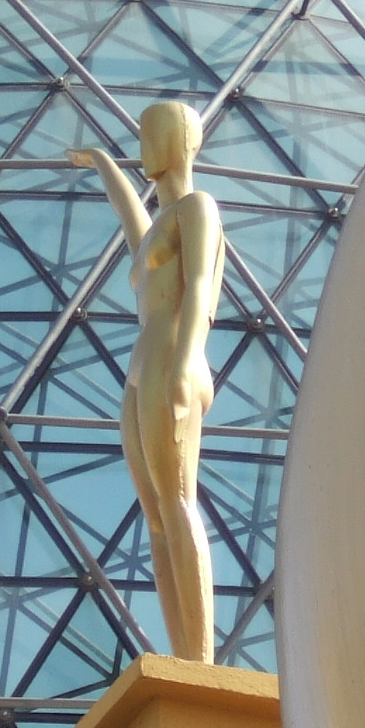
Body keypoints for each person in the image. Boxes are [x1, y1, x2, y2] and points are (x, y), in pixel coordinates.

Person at [71, 100, 223, 664]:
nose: (144, 142)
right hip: (143, 363)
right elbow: (130, 215)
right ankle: (183, 654)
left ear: (180, 140)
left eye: (151, 132)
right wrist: (103, 165)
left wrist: (188, 359)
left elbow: (202, 282)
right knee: (155, 513)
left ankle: (201, 661)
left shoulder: (197, 208)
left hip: (173, 353)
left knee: (179, 500)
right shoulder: (160, 222)